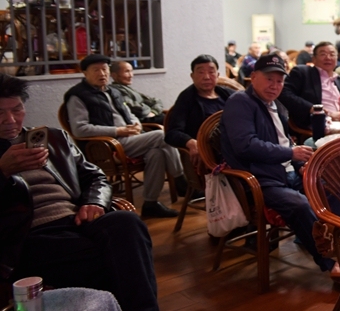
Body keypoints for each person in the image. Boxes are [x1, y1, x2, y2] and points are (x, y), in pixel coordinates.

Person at [0, 75, 196, 311]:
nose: (11, 120)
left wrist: (94, 202)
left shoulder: (54, 138)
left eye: (17, 110)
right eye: (0, 113)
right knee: (120, 265)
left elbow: (95, 177)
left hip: (76, 222)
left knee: (127, 224)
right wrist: (1, 170)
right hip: (25, 238)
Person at [220, 54, 334, 272]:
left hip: (285, 173)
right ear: (253, 77)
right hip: (260, 179)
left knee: (335, 188)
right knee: (300, 205)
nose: (274, 85)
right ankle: (330, 263)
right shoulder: (240, 102)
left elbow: (284, 142)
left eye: (279, 81)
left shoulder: (276, 105)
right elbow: (245, 145)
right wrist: (290, 153)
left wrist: (300, 166)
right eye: (269, 79)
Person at [65, 55, 187, 219]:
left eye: (104, 69)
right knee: (161, 135)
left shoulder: (114, 91)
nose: (102, 73)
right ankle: (180, 180)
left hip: (128, 140)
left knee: (156, 154)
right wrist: (118, 130)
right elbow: (80, 129)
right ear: (85, 73)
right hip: (108, 146)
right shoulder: (78, 96)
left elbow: (130, 115)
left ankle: (150, 204)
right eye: (96, 70)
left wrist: (136, 125)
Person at [165, 55, 236, 169]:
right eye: (201, 72)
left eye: (211, 72)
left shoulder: (230, 95)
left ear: (217, 75)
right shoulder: (186, 99)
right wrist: (191, 142)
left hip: (237, 145)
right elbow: (172, 133)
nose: (206, 77)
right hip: (211, 157)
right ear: (192, 76)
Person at [279, 41, 340, 130]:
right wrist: (312, 108)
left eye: (332, 54)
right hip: (319, 123)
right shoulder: (302, 73)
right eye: (323, 54)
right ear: (314, 59)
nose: (328, 57)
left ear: (337, 59)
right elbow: (284, 93)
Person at [109, 61, 166, 125]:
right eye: (127, 72)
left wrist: (154, 111)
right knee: (170, 119)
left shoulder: (128, 89)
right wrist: (150, 109)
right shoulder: (116, 91)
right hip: (140, 121)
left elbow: (156, 101)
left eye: (131, 71)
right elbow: (138, 109)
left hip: (151, 116)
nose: (131, 75)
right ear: (114, 75)